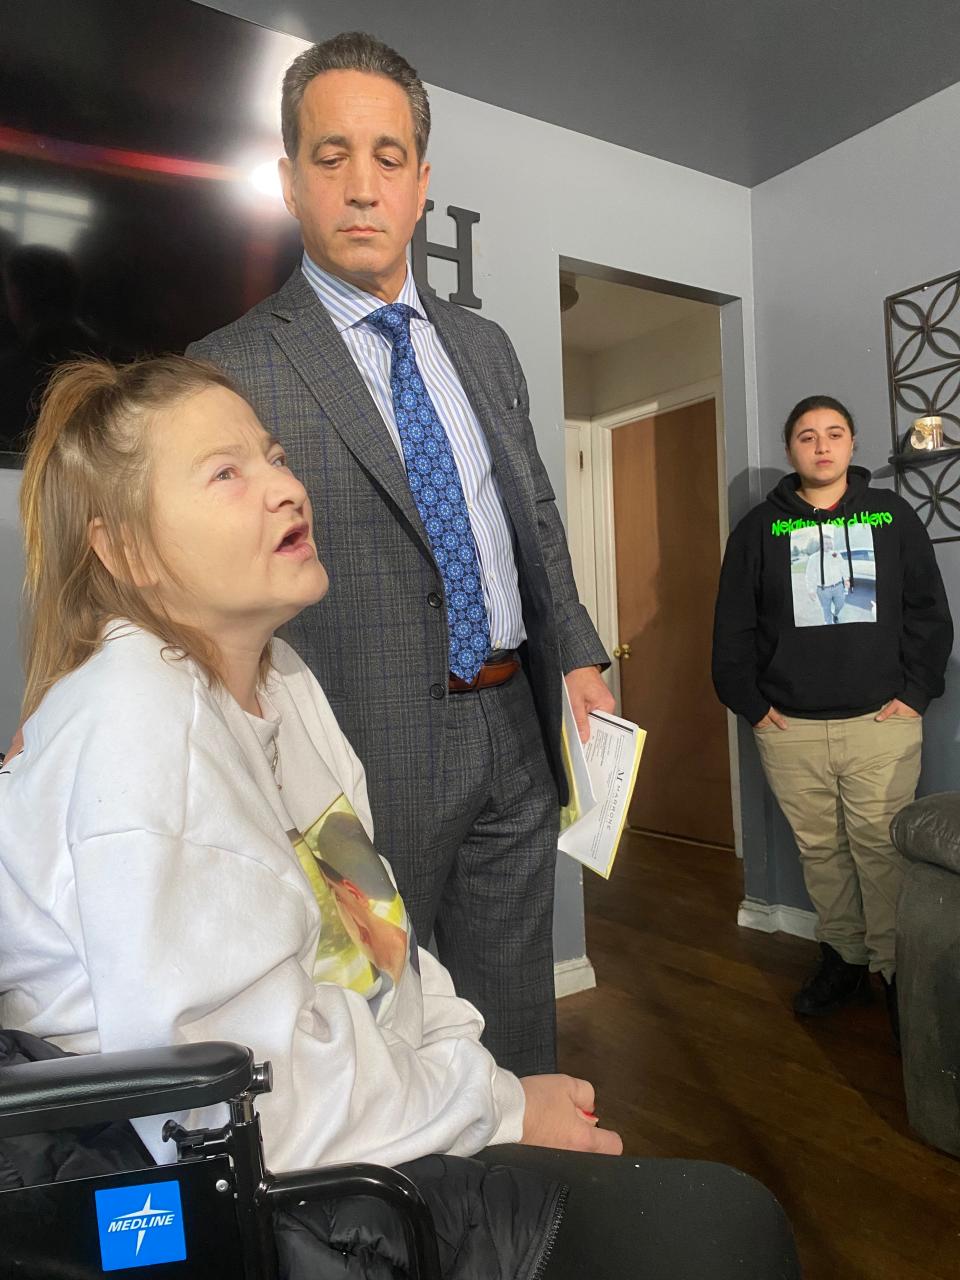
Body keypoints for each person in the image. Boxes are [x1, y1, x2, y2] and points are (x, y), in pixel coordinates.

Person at [0, 357, 799, 1280]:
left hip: (342, 1126)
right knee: (721, 1232)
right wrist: (497, 1112)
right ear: (126, 551)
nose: (286, 487)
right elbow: (236, 1109)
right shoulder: (137, 718)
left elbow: (376, 942)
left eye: (275, 455)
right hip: (202, 1190)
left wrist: (484, 1082)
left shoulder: (285, 683)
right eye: (227, 473)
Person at [187, 32, 614, 1077]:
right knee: (374, 1032)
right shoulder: (227, 368)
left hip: (515, 734)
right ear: (290, 181)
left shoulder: (486, 346)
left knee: (514, 1029)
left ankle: (522, 1207)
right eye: (331, 157)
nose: (362, 184)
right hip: (355, 763)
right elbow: (201, 582)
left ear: (423, 183)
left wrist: (581, 655)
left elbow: (537, 523)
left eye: (388, 157)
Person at [712, 394, 953, 1038]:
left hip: (883, 723)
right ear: (790, 449)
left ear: (852, 445)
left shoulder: (892, 517)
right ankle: (843, 959)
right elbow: (732, 630)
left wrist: (915, 692)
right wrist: (755, 708)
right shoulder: (758, 530)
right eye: (807, 436)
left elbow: (930, 614)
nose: (822, 445)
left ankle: (897, 974)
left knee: (880, 851)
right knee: (820, 852)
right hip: (788, 729)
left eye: (835, 433)